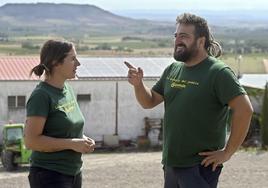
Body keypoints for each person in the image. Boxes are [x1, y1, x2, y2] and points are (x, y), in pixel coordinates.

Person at [125, 13, 253, 188]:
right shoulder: (173, 69)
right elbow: (149, 101)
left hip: (200, 167)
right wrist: (138, 85)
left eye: (184, 36)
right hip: (172, 163)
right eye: (176, 36)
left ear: (201, 41)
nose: (177, 40)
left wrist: (227, 152)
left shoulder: (218, 72)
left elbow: (245, 110)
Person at [24, 39, 95, 188]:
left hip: (73, 173)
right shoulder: (41, 95)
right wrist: (72, 144)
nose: (78, 64)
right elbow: (31, 141)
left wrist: (82, 140)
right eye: (73, 59)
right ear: (56, 63)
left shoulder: (67, 89)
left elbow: (62, 129)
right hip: (50, 175)